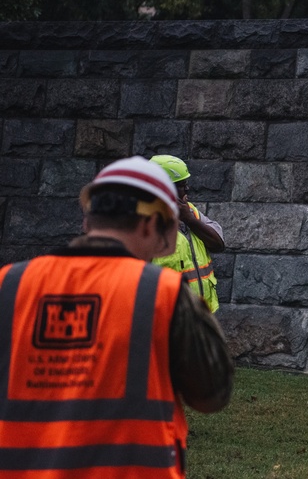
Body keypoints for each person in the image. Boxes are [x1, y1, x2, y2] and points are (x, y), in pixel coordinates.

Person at [0, 156, 234, 477]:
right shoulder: (163, 293)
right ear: (152, 225)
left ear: (88, 221)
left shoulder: (9, 285)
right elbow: (213, 393)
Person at [150, 155, 224, 313]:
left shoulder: (190, 212)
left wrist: (189, 219)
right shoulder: (145, 225)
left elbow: (218, 244)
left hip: (200, 316)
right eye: (181, 185)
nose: (187, 189)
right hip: (166, 319)